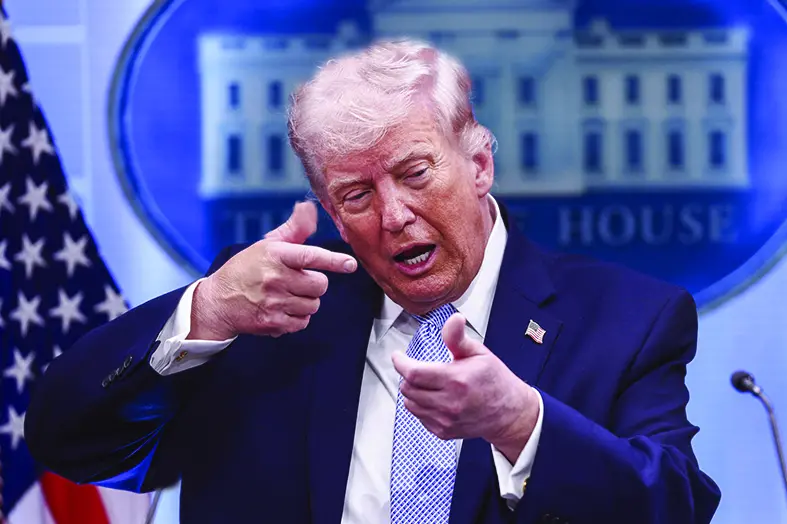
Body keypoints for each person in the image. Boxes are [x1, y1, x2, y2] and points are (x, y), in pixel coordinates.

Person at [25, 39, 720, 524]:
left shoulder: (627, 320)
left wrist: (521, 426)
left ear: (478, 165)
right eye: (355, 195)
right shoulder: (268, 309)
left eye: (415, 174)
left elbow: (674, 510)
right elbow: (70, 442)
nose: (392, 215)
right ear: (329, 210)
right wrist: (206, 309)